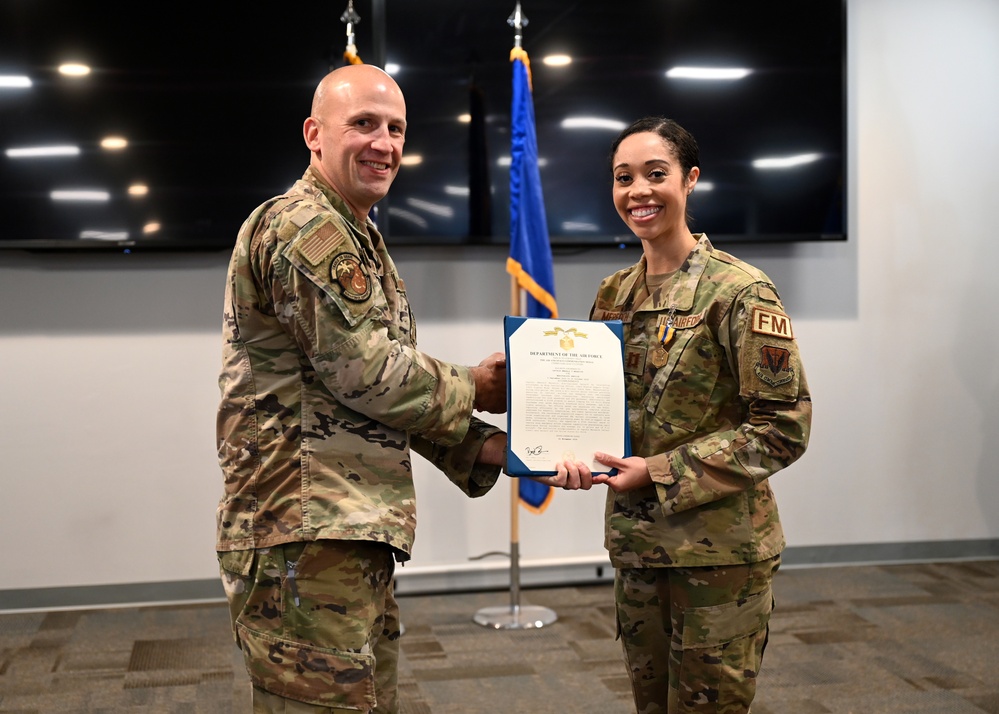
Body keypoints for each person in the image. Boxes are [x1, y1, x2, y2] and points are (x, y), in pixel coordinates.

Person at [215, 64, 511, 713]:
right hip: (305, 533)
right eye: (364, 124)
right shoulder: (305, 229)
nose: (384, 143)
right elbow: (365, 373)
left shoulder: (357, 235)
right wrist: (475, 386)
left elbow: (373, 395)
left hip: (342, 533)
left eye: (396, 128)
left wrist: (491, 449)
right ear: (313, 134)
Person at [551, 116, 812, 713]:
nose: (637, 191)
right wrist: (562, 452)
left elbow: (782, 428)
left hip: (719, 557)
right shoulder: (615, 294)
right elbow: (595, 406)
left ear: (690, 180)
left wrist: (660, 471)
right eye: (623, 178)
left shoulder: (741, 292)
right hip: (639, 549)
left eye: (655, 174)